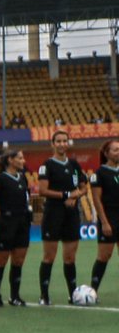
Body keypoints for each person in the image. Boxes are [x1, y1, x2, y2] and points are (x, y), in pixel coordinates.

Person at [36, 130, 89, 305]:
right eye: (58, 141)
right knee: (49, 257)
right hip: (53, 214)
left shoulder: (74, 164)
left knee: (70, 258)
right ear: (53, 144)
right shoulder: (47, 165)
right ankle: (44, 295)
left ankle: (73, 295)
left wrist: (75, 196)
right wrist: (66, 195)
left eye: (64, 141)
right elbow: (42, 190)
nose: (61, 144)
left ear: (68, 143)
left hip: (71, 214)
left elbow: (84, 187)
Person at [0, 147, 33, 306]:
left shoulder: (22, 177)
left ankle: (15, 296)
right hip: (6, 223)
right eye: (20, 158)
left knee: (18, 261)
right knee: (1, 261)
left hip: (22, 222)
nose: (23, 161)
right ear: (10, 160)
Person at [88, 138, 119, 295]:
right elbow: (97, 200)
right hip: (109, 217)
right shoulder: (99, 173)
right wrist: (105, 222)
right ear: (106, 154)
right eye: (115, 150)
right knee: (104, 255)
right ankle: (93, 290)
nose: (118, 152)